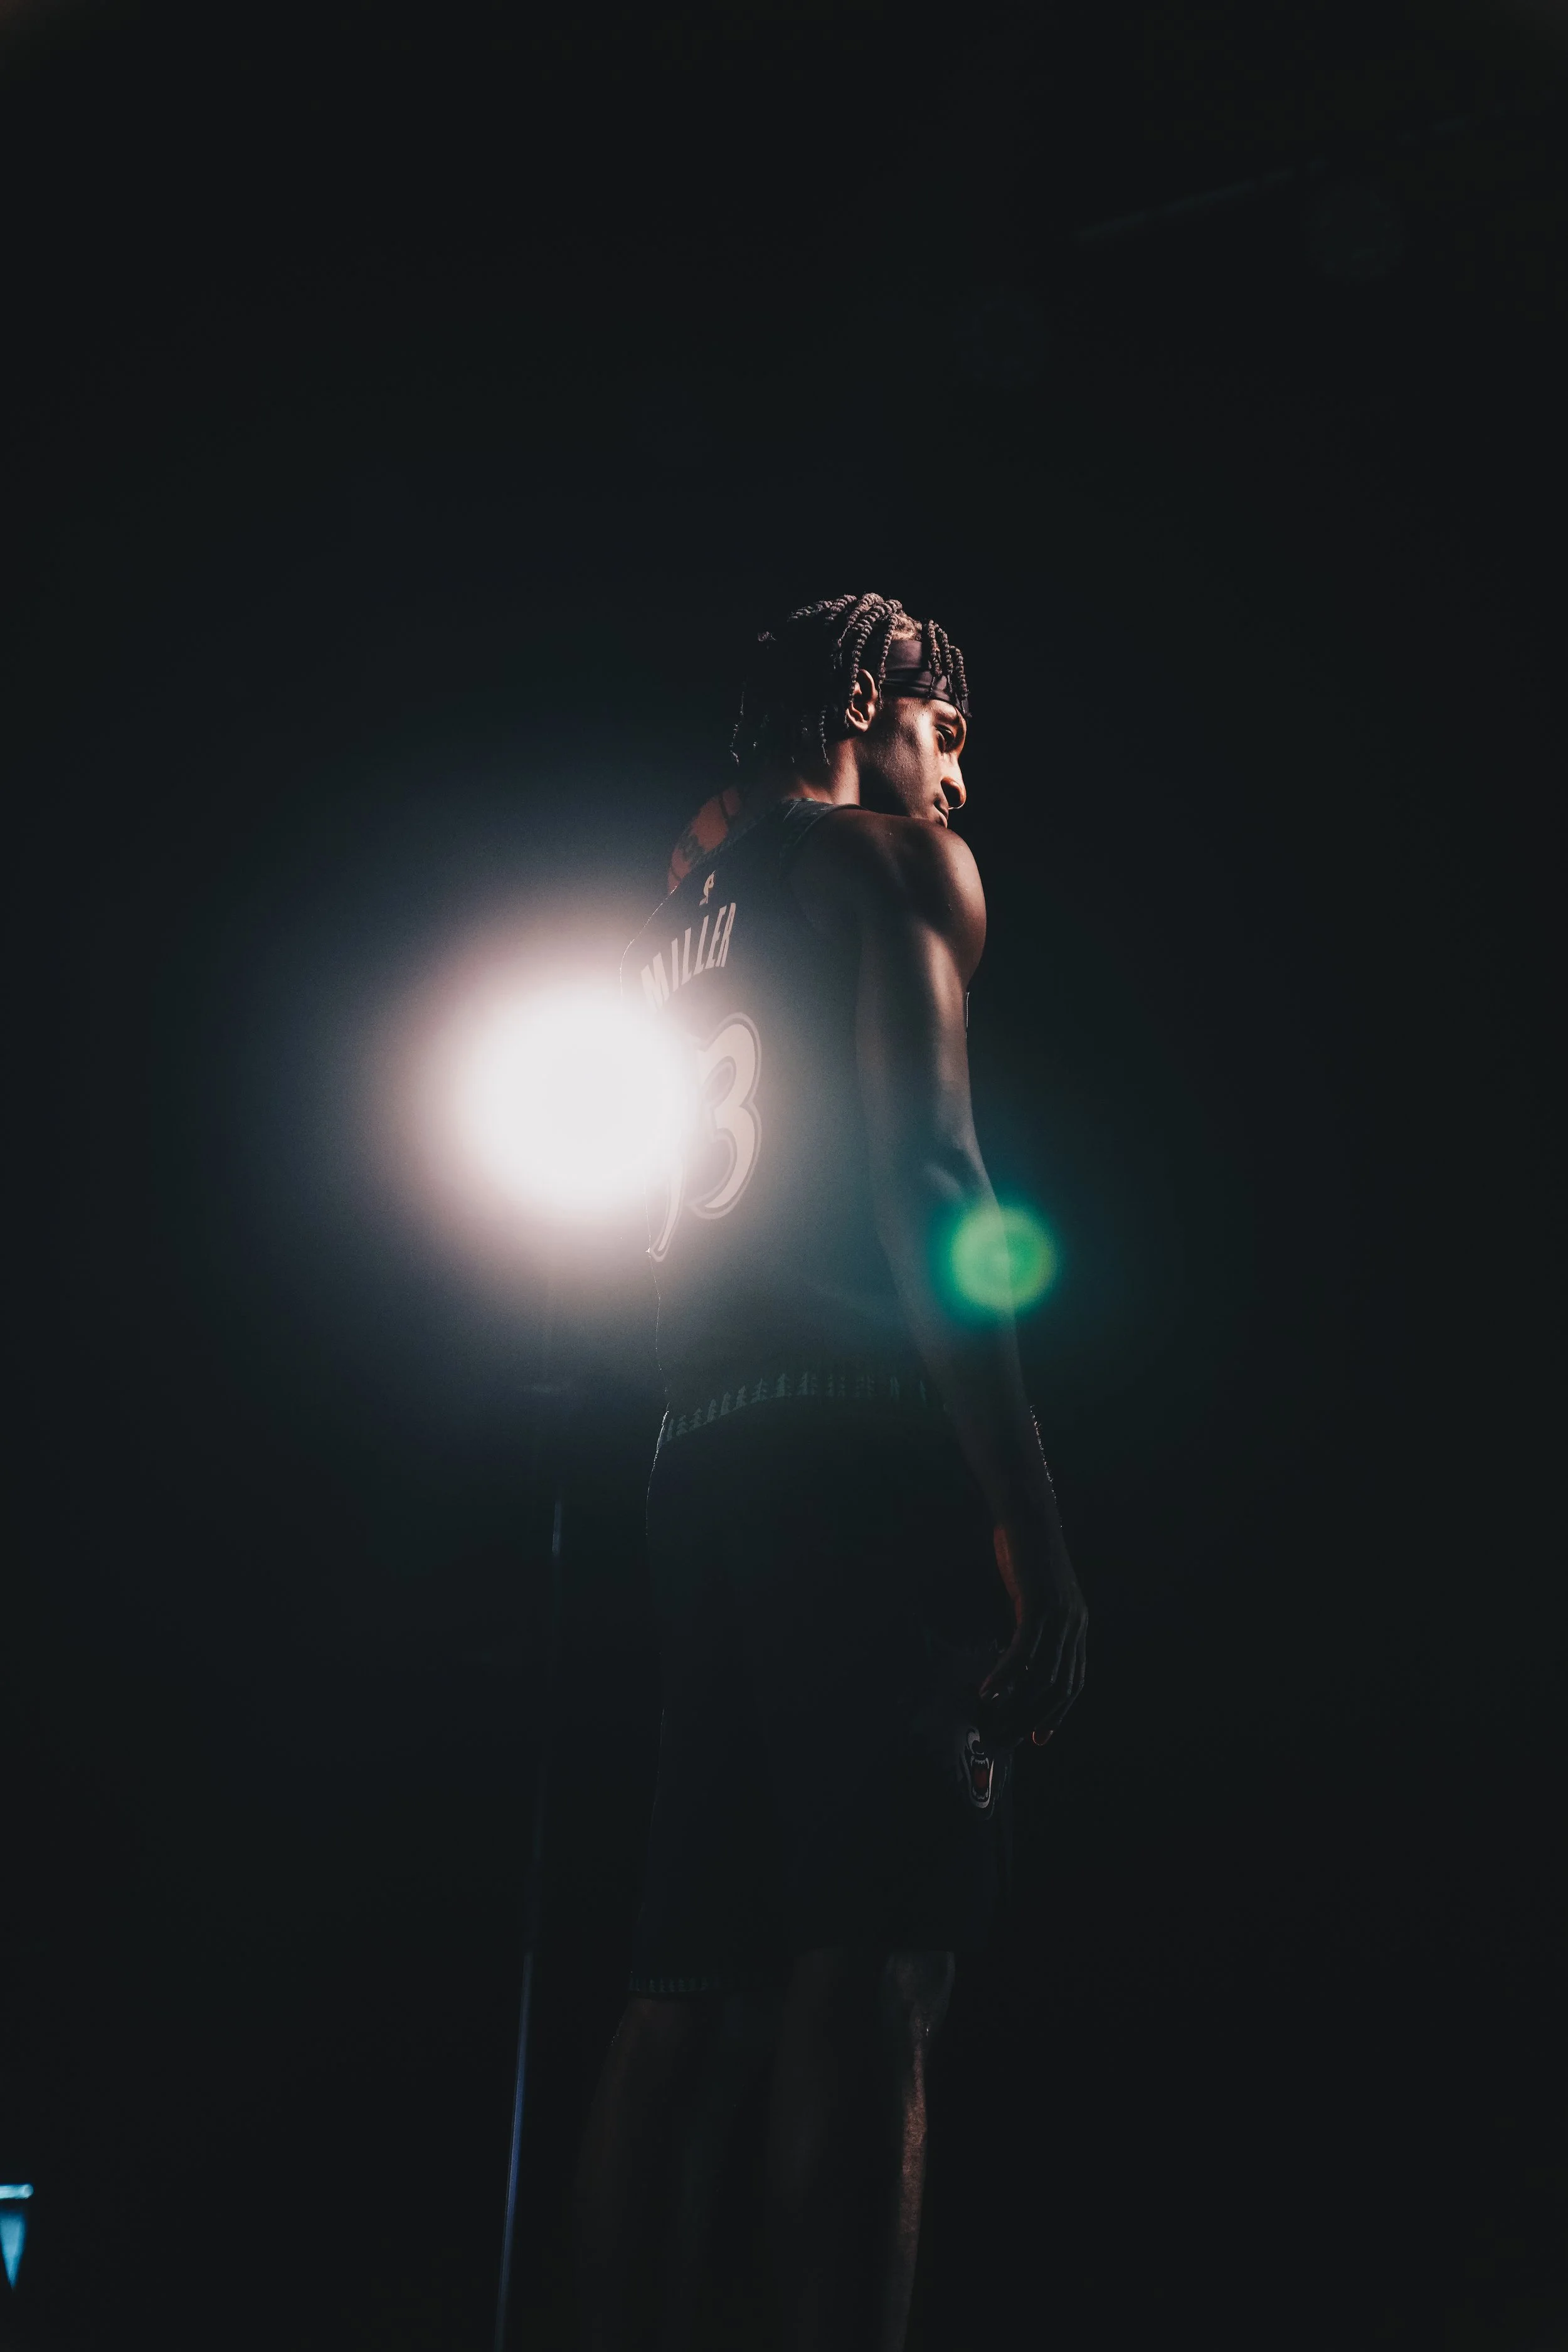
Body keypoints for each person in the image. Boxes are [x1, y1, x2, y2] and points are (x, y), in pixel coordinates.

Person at [577, 593, 1088, 2351]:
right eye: (944, 731)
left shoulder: (678, 908)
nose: (956, 774)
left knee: (686, 1988)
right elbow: (933, 1184)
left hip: (692, 1455)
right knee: (872, 1972)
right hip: (856, 1454)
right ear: (869, 704)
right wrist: (1023, 1512)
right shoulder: (893, 868)